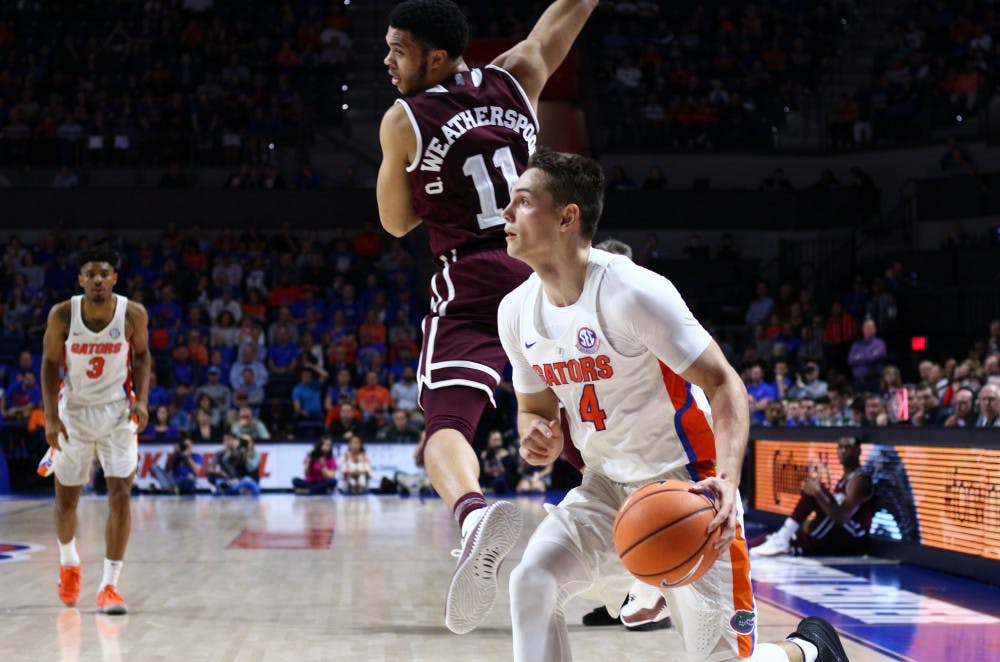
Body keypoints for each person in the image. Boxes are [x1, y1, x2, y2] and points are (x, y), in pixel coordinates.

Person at [497, 150, 848, 662]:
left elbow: (725, 384)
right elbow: (534, 407)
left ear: (567, 217)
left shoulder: (631, 292)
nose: (506, 213)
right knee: (532, 580)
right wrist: (537, 433)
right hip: (604, 483)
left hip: (685, 483)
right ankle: (650, 588)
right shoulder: (515, 311)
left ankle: (808, 651)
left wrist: (726, 480)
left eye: (523, 202)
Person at [376, 0, 598, 635]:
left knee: (446, 422)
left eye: (398, 50)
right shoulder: (516, 76)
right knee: (587, 425)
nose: (387, 61)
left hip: (471, 277)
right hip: (542, 272)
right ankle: (652, 542)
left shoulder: (404, 119)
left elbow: (396, 221)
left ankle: (473, 516)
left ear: (436, 57)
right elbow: (568, 13)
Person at [41, 248, 151, 615]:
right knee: (66, 502)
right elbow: (50, 364)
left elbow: (142, 356)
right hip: (73, 412)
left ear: (114, 279)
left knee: (120, 495)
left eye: (105, 274)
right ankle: (69, 562)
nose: (98, 280)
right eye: (91, 275)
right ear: (81, 280)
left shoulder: (133, 314)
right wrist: (50, 418)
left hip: (117, 413)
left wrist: (142, 400)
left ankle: (109, 586)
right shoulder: (62, 314)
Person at [752, 435, 874, 558]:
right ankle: (782, 538)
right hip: (837, 531)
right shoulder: (844, 479)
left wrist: (818, 493)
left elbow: (842, 517)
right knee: (767, 539)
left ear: (858, 451)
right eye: (840, 447)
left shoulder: (860, 481)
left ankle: (788, 539)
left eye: (848, 447)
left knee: (816, 490)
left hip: (853, 539)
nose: (842, 451)